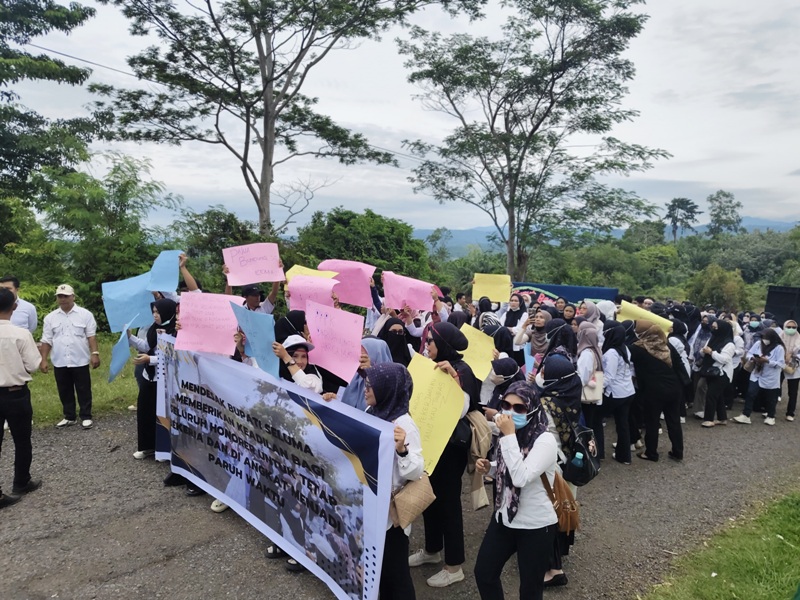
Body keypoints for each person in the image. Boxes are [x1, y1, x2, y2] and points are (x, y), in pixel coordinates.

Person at [474, 381, 559, 600]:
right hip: (505, 517)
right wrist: (490, 467)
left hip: (536, 524)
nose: (510, 412)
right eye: (506, 405)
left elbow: (522, 476)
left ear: (532, 409)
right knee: (484, 572)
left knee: (530, 590)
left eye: (519, 408)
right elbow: (509, 467)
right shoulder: (510, 435)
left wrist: (509, 436)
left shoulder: (545, 440)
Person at [409, 322, 478, 588]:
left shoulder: (462, 370)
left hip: (451, 449)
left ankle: (454, 565)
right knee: (429, 498)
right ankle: (432, 549)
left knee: (449, 504)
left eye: (431, 343)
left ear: (444, 345)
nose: (427, 347)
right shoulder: (430, 366)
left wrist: (453, 381)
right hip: (431, 444)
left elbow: (459, 410)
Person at [363, 362, 424, 600]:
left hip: (392, 514)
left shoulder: (404, 424)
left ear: (387, 389)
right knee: (379, 571)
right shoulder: (372, 411)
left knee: (395, 574)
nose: (366, 390)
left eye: (371, 385)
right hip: (372, 505)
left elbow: (416, 470)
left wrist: (402, 450)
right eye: (366, 384)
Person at [0, 288, 43, 508]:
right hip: (15, 393)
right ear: (14, 307)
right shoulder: (20, 334)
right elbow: (34, 365)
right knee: (22, 440)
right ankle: (21, 481)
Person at [39, 284, 100, 429]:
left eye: (66, 296)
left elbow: (91, 336)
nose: (63, 299)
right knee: (64, 389)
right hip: (60, 359)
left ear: (73, 296)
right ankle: (69, 416)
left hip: (79, 358)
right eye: (60, 296)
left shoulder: (85, 314)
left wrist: (95, 353)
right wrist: (43, 359)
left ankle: (86, 415)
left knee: (83, 388)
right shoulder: (50, 318)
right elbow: (47, 340)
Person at [628, 321, 683, 462]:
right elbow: (679, 364)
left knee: (652, 421)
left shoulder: (637, 349)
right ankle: (678, 451)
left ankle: (651, 453)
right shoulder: (666, 345)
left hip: (653, 391)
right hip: (673, 387)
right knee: (673, 421)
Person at [130, 299, 178, 459]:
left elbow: (172, 356)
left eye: (158, 312)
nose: (155, 315)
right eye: (154, 312)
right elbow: (147, 346)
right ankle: (147, 446)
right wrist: (130, 337)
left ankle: (166, 449)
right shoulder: (154, 328)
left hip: (165, 379)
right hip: (149, 376)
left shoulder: (175, 331)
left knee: (163, 413)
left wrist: (149, 359)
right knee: (145, 410)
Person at [733, 328, 786, 426]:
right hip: (757, 373)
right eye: (763, 337)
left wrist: (767, 361)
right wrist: (753, 358)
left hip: (771, 377)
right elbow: (749, 353)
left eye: (766, 338)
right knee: (750, 393)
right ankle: (746, 415)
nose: (764, 340)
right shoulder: (758, 344)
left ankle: (771, 416)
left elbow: (781, 364)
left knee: (770, 398)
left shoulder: (779, 348)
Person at [601, 321, 636, 463]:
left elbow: (609, 376)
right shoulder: (625, 348)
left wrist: (595, 387)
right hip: (628, 391)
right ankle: (624, 456)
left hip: (615, 393)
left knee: (596, 419)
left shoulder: (611, 353)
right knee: (622, 424)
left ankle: (597, 452)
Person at [698, 320, 736, 428]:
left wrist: (711, 352)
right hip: (710, 371)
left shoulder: (729, 344)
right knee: (718, 396)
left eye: (715, 328)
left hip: (722, 373)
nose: (713, 330)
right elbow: (703, 351)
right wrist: (704, 351)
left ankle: (709, 419)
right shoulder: (712, 338)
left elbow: (724, 359)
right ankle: (722, 418)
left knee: (711, 395)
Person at [781, 320, 800, 421]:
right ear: (784, 327)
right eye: (788, 327)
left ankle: (790, 413)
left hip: (793, 367)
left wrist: (792, 355)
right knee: (774, 388)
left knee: (792, 392)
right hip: (779, 365)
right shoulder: (780, 337)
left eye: (793, 327)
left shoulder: (799, 339)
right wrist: (783, 355)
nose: (791, 329)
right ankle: (769, 410)